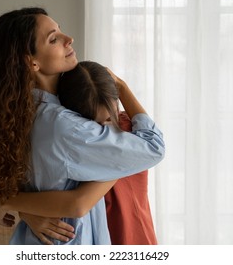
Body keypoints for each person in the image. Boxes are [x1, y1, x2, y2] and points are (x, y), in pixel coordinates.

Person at [0, 7, 165, 245]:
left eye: (60, 30)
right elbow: (153, 148)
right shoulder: (65, 127)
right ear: (31, 62)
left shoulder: (18, 115)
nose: (68, 39)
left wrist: (16, 204)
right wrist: (121, 87)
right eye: (53, 39)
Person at [57, 61, 158, 245]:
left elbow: (154, 143)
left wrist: (121, 86)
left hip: (134, 237)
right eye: (101, 121)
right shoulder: (81, 141)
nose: (109, 124)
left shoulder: (129, 131)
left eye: (113, 113)